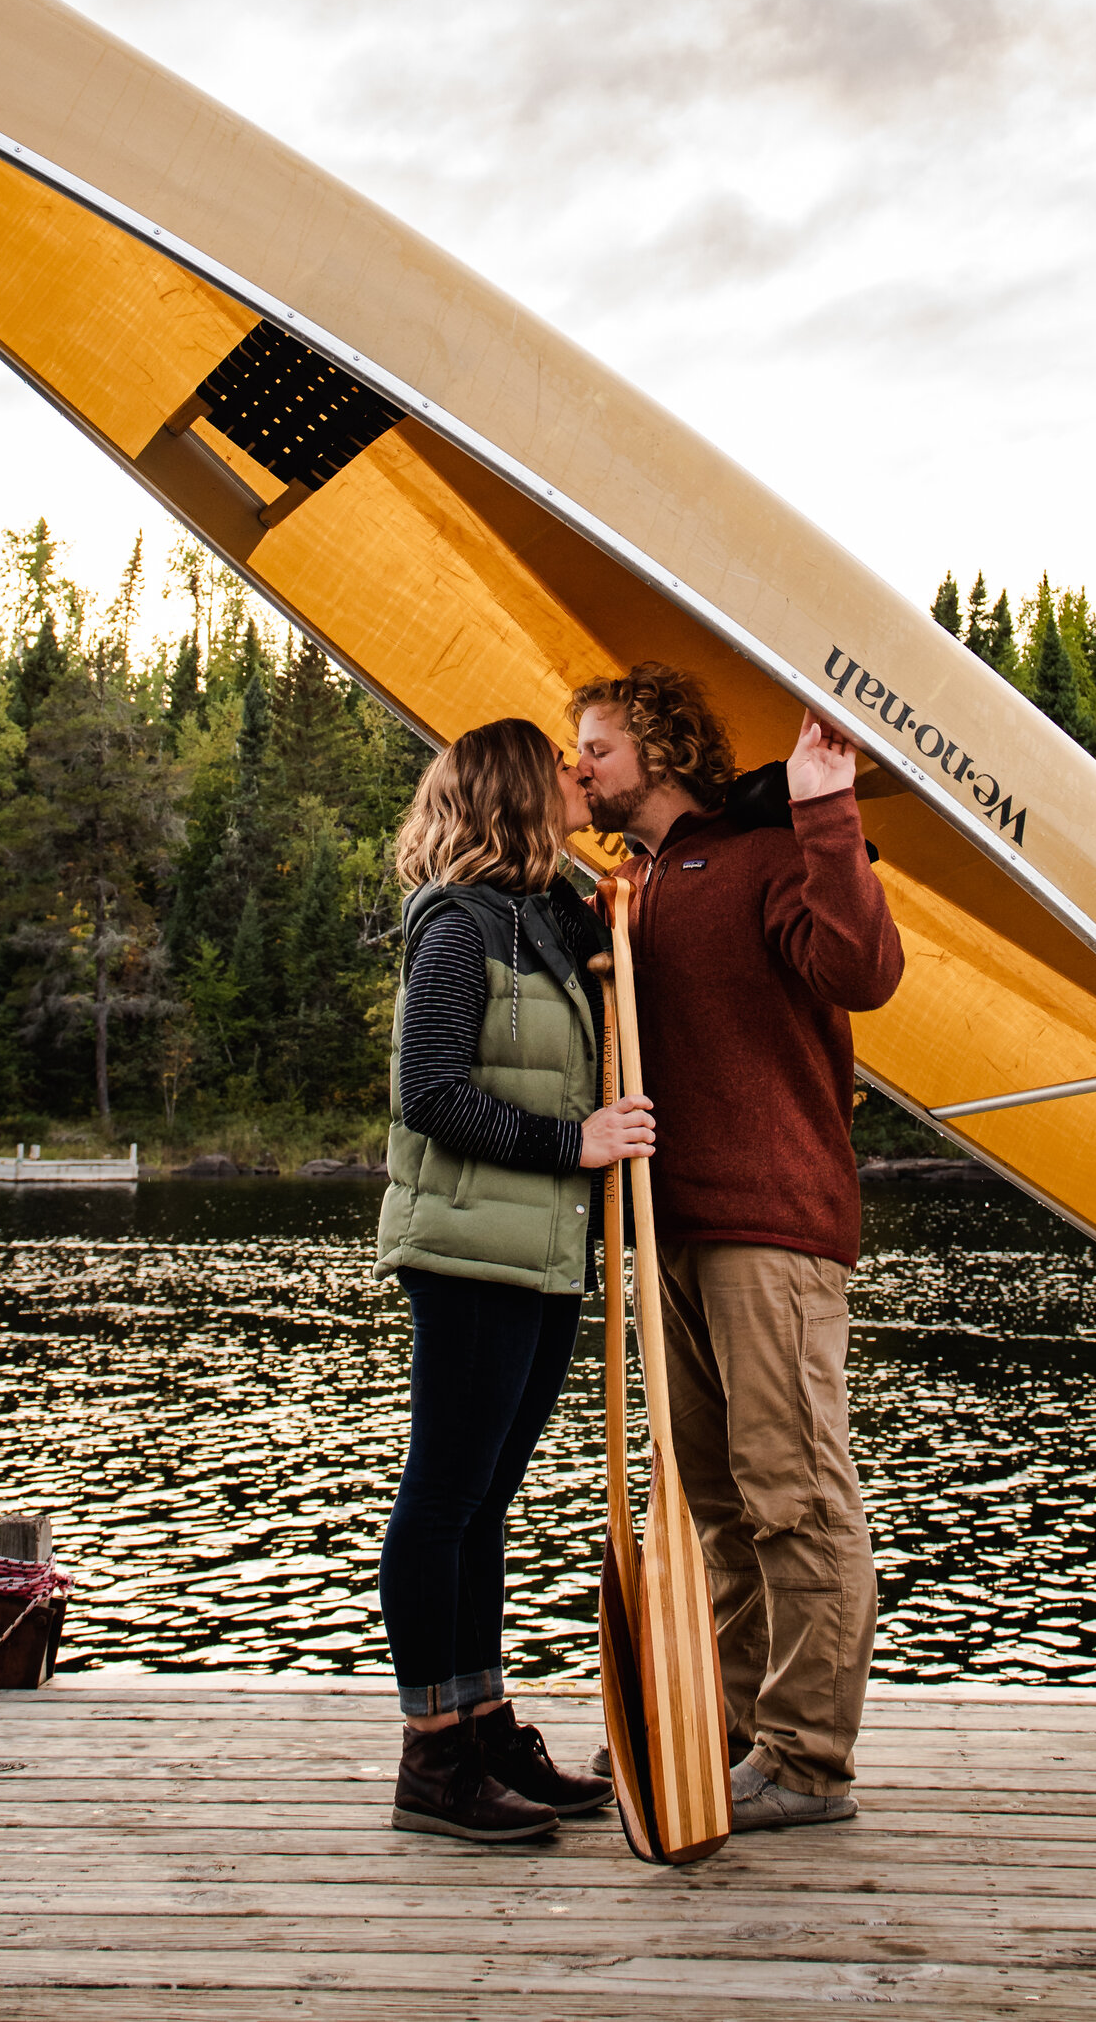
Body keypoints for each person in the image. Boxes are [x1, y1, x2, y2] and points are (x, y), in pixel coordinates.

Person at [569, 662, 903, 1832]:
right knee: (713, 1503)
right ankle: (725, 1732)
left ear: (655, 751)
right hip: (668, 1228)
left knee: (794, 1496)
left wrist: (824, 808)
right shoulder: (628, 885)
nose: (582, 771)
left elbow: (864, 973)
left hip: (770, 1223)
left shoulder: (766, 854)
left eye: (596, 751)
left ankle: (810, 1763)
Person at [375, 714, 656, 1843]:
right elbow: (428, 1091)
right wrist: (572, 1144)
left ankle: (484, 1723)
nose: (579, 773)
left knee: (483, 1504)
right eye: (560, 764)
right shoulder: (460, 924)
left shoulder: (546, 912)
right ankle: (431, 1758)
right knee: (443, 1497)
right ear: (514, 789)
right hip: (470, 1247)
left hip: (539, 1252)